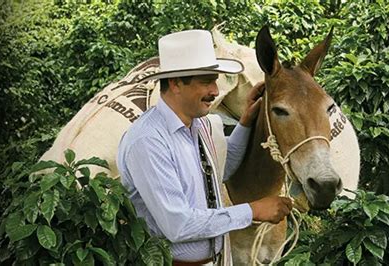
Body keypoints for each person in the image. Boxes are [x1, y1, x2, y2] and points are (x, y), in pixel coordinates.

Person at [117, 29, 292, 266]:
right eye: (206, 82)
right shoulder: (148, 141)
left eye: (215, 80)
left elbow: (222, 168)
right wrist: (253, 210)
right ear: (176, 83)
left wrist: (246, 122)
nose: (215, 91)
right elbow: (178, 225)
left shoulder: (201, 125)